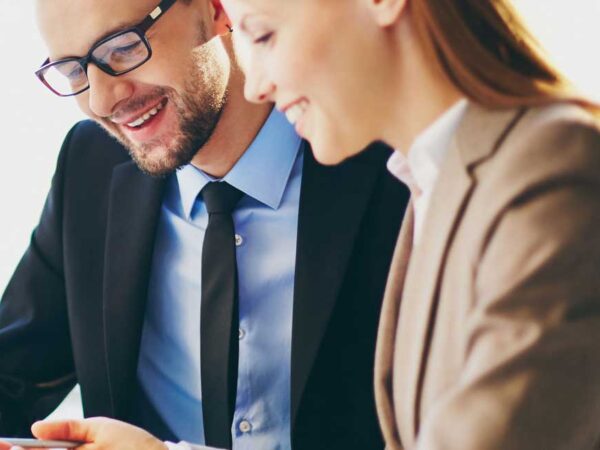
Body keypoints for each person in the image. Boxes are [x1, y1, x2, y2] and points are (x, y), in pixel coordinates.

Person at [18, 0, 600, 449]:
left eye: (264, 34)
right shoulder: (429, 176)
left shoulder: (542, 173)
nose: (256, 82)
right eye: (71, 71)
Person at [0, 0, 409, 449]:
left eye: (123, 47)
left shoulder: (392, 160)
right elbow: (13, 373)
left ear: (217, 9)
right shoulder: (90, 164)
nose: (101, 100)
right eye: (72, 72)